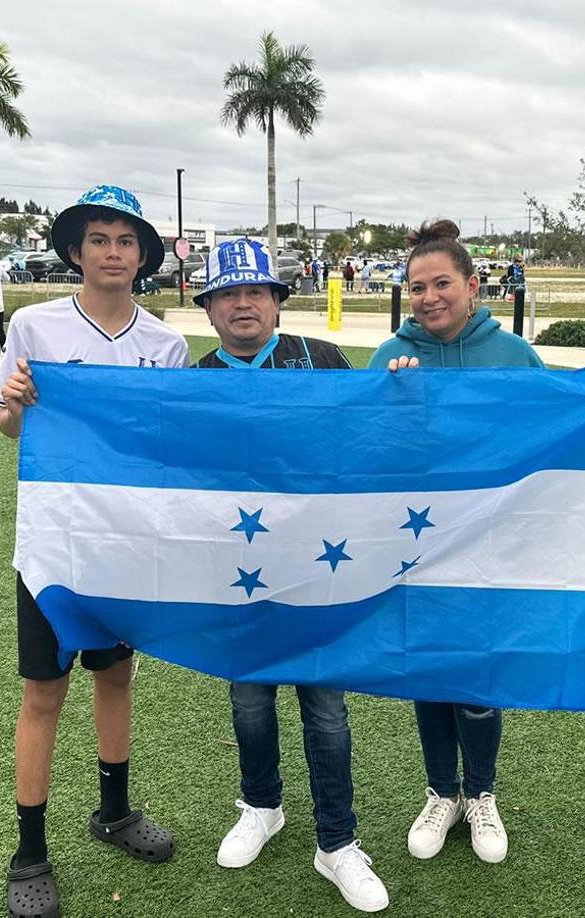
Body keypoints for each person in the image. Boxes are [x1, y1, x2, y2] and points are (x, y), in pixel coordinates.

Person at [368, 219, 585, 869]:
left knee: (479, 674)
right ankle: (442, 793)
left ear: (471, 285)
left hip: (494, 545)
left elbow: (556, 424)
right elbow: (364, 449)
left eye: (441, 284)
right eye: (416, 288)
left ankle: (482, 792)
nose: (429, 297)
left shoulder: (513, 353)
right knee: (431, 670)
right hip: (420, 543)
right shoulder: (392, 356)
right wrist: (392, 402)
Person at [0, 185, 188, 918]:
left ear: (143, 257)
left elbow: (168, 443)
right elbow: (10, 430)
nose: (113, 252)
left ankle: (114, 812)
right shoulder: (34, 325)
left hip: (127, 541)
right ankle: (29, 851)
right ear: (75, 251)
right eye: (99, 239)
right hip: (52, 542)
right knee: (44, 693)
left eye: (126, 241)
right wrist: (16, 404)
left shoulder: (164, 343)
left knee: (116, 678)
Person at [190, 238, 387, 913]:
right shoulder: (198, 377)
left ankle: (338, 842)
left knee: (326, 712)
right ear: (210, 309)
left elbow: (375, 432)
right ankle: (261, 806)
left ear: (276, 302)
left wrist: (410, 384)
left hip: (319, 570)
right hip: (239, 576)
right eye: (228, 294)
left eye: (256, 292)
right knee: (249, 703)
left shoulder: (323, 359)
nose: (243, 303)